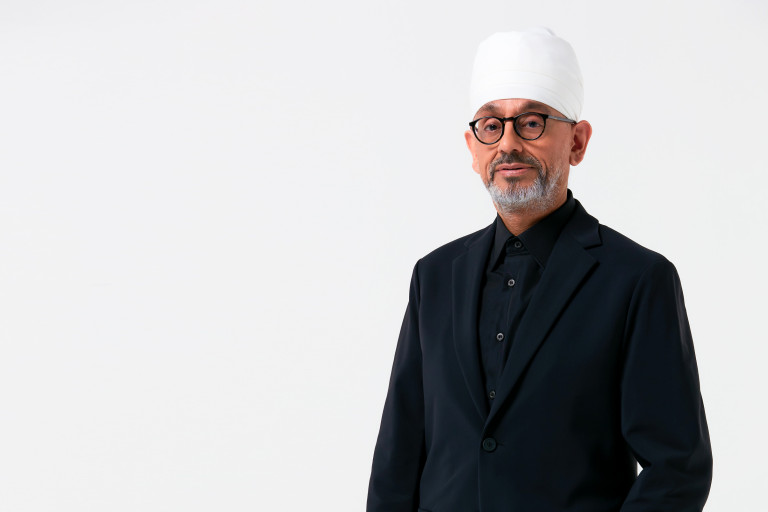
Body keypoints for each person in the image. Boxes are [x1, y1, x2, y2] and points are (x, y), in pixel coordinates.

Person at [367, 28, 712, 512]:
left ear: (578, 142)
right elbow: (397, 459)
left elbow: (677, 468)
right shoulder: (435, 276)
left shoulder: (636, 280)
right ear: (472, 148)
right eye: (492, 126)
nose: (508, 144)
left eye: (531, 123)